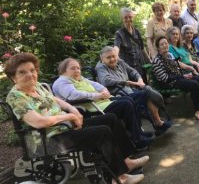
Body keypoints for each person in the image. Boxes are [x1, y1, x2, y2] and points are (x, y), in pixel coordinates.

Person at [5, 53, 148, 184]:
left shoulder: (36, 86)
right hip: (49, 139)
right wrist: (70, 116)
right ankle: (118, 178)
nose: (30, 74)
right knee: (102, 131)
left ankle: (126, 161)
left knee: (110, 118)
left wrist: (72, 109)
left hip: (65, 127)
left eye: (32, 70)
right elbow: (38, 122)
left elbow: (55, 99)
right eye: (22, 72)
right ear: (13, 77)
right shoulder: (16, 96)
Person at [53, 58, 159, 146]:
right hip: (91, 107)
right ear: (64, 70)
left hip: (101, 102)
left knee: (129, 99)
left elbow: (96, 85)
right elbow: (73, 95)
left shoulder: (80, 78)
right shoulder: (62, 82)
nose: (77, 70)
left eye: (78, 68)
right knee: (126, 104)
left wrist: (104, 90)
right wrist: (98, 95)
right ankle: (137, 139)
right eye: (73, 68)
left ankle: (138, 134)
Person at [95, 46, 172, 133]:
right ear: (102, 58)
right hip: (119, 94)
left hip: (130, 91)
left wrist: (139, 79)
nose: (112, 59)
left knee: (149, 93)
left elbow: (133, 71)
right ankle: (157, 122)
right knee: (146, 94)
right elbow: (106, 81)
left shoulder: (120, 62)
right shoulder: (100, 67)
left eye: (113, 56)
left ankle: (157, 122)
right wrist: (130, 83)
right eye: (108, 57)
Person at [151, 36, 199, 123]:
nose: (165, 45)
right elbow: (164, 78)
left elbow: (178, 65)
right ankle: (198, 111)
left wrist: (190, 69)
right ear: (158, 48)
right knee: (194, 84)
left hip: (178, 77)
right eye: (162, 44)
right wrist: (183, 76)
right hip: (169, 82)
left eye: (166, 43)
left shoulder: (170, 55)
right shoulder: (156, 61)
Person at [114, 7, 150, 83]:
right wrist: (115, 57)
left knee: (144, 85)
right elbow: (116, 47)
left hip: (140, 65)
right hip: (129, 67)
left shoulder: (136, 31)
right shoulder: (119, 33)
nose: (128, 19)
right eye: (125, 17)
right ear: (122, 19)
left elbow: (142, 48)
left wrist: (150, 61)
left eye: (130, 17)